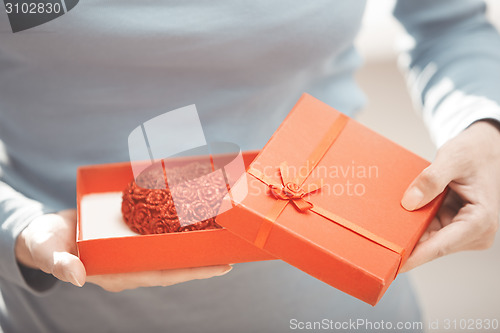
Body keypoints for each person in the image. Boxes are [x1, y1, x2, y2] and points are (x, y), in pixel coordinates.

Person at [1, 0, 500, 332]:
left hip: (338, 301)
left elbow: (449, 21)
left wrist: (485, 126)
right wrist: (15, 226)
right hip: (63, 313)